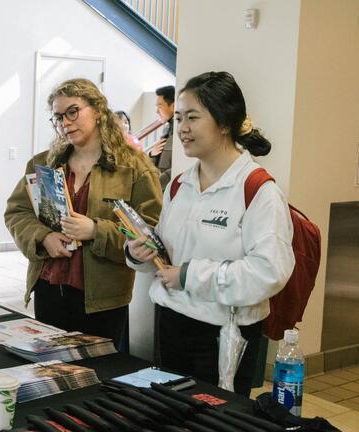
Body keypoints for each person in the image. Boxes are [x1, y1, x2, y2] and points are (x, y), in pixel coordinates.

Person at [125, 71, 294, 397]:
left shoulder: (257, 190)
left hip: (221, 335)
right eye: (178, 118)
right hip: (169, 323)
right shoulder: (179, 184)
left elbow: (268, 272)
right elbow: (167, 256)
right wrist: (138, 254)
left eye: (193, 118)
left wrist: (190, 276)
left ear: (225, 123)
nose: (182, 129)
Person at [4, 78, 162, 350]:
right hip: (49, 287)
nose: (65, 122)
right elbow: (17, 211)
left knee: (98, 374)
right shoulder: (44, 163)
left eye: (73, 111)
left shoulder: (133, 168)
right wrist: (43, 237)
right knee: (50, 369)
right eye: (58, 117)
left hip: (103, 297)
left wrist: (96, 231)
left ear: (98, 110)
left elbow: (151, 231)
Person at [149, 85, 175, 188]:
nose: (157, 111)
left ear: (173, 106)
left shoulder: (180, 132)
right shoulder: (167, 130)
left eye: (160, 106)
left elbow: (176, 168)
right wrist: (152, 154)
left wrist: (156, 185)